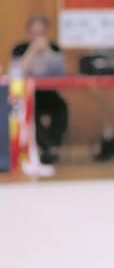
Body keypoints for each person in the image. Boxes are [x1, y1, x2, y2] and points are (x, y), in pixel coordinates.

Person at [10, 15, 68, 164]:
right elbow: (16, 73)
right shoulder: (20, 49)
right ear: (28, 33)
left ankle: (53, 147)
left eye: (41, 32)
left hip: (49, 93)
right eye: (34, 32)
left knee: (61, 108)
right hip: (28, 95)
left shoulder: (54, 48)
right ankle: (40, 147)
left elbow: (60, 71)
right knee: (30, 113)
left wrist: (47, 50)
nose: (38, 36)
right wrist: (31, 51)